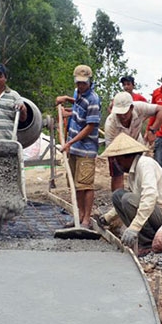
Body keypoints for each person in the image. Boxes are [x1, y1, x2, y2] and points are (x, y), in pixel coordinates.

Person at [98, 133, 162, 256]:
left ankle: (148, 243)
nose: (117, 163)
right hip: (154, 213)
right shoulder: (134, 171)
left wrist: (134, 228)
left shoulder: (145, 164)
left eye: (118, 160)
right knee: (118, 195)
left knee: (127, 199)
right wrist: (107, 218)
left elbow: (149, 197)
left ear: (126, 157)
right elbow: (134, 198)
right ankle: (144, 238)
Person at [55, 65, 101, 229]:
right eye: (78, 83)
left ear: (90, 81)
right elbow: (78, 108)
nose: (80, 86)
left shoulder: (94, 100)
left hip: (86, 150)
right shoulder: (77, 93)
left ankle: (86, 220)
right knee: (76, 185)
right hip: (73, 148)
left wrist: (69, 143)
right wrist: (67, 101)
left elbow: (90, 126)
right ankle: (79, 215)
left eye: (83, 83)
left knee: (85, 185)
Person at [104, 91, 162, 191]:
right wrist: (121, 161)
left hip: (136, 145)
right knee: (117, 175)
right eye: (119, 113)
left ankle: (137, 197)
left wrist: (153, 130)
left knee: (139, 173)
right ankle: (118, 200)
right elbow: (111, 151)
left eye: (125, 112)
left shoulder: (139, 107)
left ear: (131, 108)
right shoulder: (110, 123)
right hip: (117, 150)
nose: (122, 116)